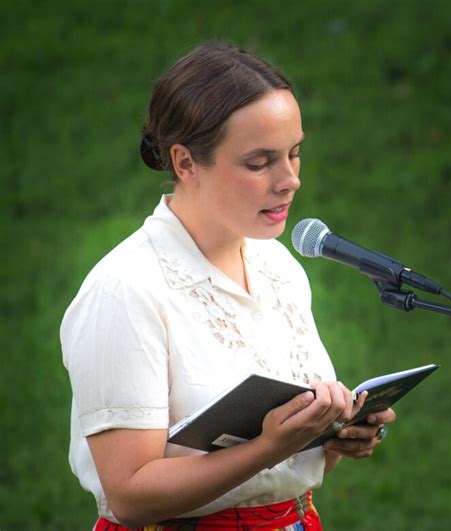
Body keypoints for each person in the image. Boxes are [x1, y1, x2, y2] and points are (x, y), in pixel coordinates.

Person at [61, 41, 396, 530]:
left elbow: (287, 471)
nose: (290, 180)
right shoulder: (125, 289)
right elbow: (130, 495)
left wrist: (336, 432)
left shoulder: (278, 266)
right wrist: (268, 447)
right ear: (185, 163)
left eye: (294, 154)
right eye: (259, 163)